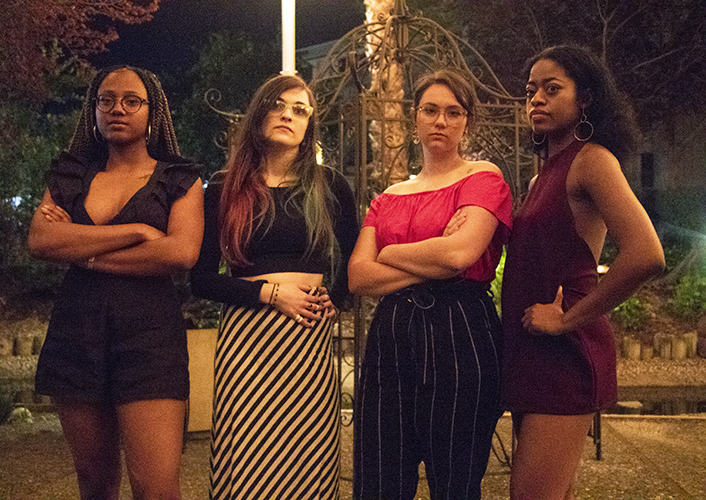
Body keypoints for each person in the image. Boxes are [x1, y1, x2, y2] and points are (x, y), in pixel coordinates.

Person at [28, 65, 204, 500]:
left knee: (155, 487)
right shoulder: (72, 174)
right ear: (93, 110)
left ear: (153, 111)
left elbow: (180, 253)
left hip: (150, 339)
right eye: (106, 100)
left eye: (131, 100)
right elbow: (41, 239)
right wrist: (138, 234)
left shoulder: (179, 179)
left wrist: (81, 248)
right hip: (76, 333)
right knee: (94, 481)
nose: (117, 109)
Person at [501, 45, 666, 500]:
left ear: (586, 99)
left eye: (553, 89)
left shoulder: (592, 160)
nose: (536, 98)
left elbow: (646, 254)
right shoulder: (541, 177)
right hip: (531, 350)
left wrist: (568, 319)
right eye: (531, 90)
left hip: (564, 353)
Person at [189, 74, 359, 499]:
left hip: (307, 344)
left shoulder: (331, 185)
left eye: (300, 109)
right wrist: (269, 294)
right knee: (247, 464)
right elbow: (201, 278)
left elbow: (356, 260)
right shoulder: (223, 189)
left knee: (307, 463)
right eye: (278, 105)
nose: (288, 114)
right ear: (259, 114)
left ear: (310, 126)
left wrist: (337, 300)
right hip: (246, 345)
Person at [348, 68, 513, 500]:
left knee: (455, 481)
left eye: (453, 112)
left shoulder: (483, 177)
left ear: (467, 122)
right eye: (431, 110)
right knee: (381, 479)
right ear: (414, 118)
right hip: (392, 334)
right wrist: (437, 251)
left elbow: (462, 256)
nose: (441, 120)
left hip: (460, 329)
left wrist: (391, 252)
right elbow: (358, 276)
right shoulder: (389, 195)